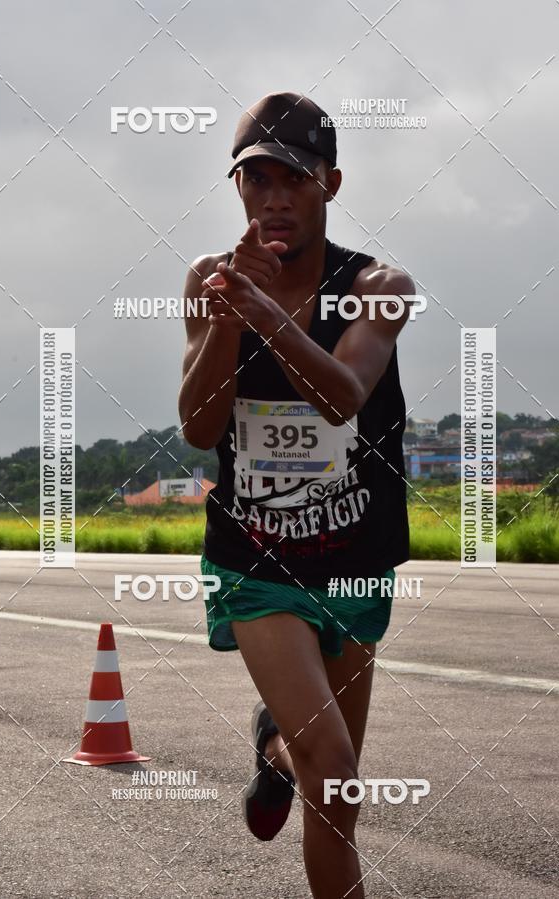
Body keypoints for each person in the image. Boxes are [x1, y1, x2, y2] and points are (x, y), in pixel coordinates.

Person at [178, 91, 415, 899]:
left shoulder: (379, 285)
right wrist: (228, 322)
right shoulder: (211, 281)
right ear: (238, 188)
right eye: (258, 179)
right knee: (336, 766)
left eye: (295, 179)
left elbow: (343, 394)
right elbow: (199, 426)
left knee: (332, 791)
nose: (274, 198)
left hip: (353, 559)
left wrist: (268, 316)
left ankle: (275, 749)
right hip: (257, 563)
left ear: (331, 184)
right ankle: (290, 747)